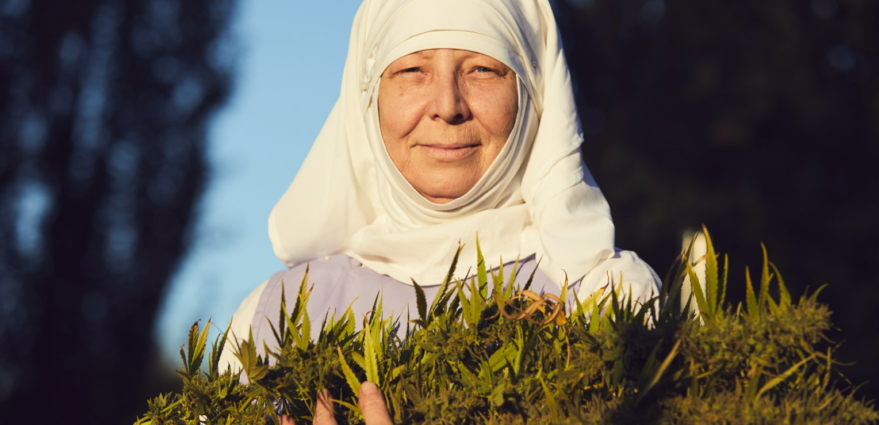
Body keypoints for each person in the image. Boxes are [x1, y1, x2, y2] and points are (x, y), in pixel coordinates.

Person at [221, 0, 662, 422]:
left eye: (483, 70)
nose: (448, 106)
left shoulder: (608, 297)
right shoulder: (269, 319)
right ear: (368, 99)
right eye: (413, 71)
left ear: (532, 93)